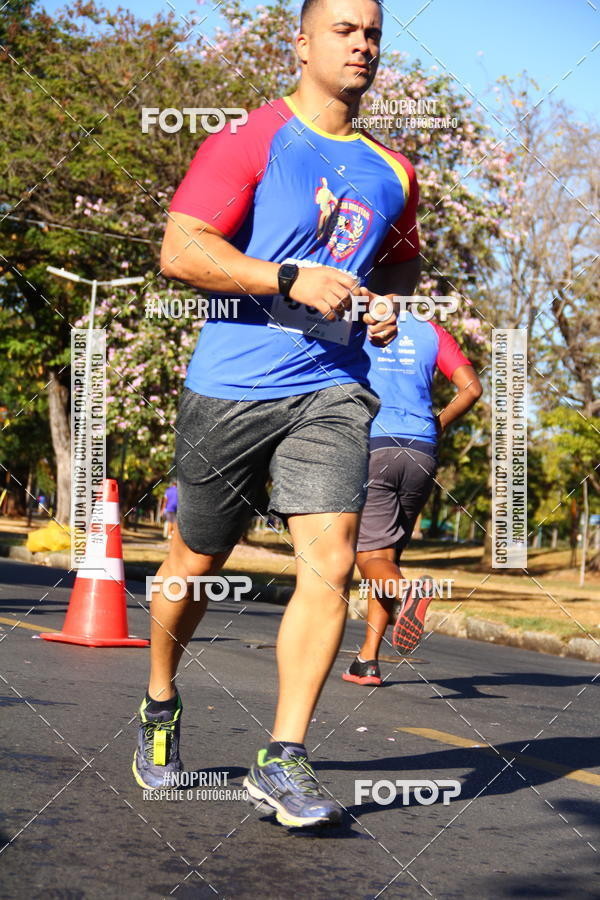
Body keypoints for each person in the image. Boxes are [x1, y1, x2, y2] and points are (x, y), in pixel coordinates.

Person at [133, 0, 421, 829]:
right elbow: (182, 248)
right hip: (232, 386)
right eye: (344, 29)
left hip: (333, 386)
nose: (362, 44)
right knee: (195, 562)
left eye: (372, 32)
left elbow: (400, 264)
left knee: (330, 557)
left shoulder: (392, 169)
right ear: (301, 44)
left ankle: (283, 758)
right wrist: (286, 278)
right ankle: (160, 700)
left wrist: (379, 304)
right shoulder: (250, 138)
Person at [343, 312, 482, 686]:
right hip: (421, 450)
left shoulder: (357, 322)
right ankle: (367, 660)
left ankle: (409, 590)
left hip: (374, 444)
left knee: (371, 556)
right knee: (387, 558)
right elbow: (471, 388)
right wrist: (438, 423)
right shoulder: (432, 332)